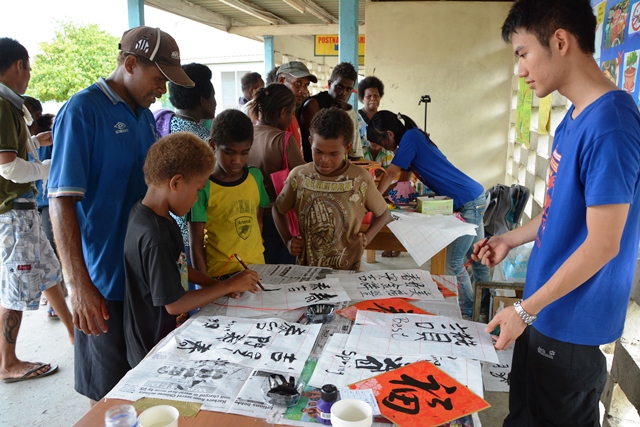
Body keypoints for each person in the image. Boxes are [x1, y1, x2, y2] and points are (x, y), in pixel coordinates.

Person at [474, 0, 640, 425]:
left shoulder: (612, 125)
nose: (519, 69)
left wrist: (526, 310)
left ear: (560, 41)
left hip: (571, 323)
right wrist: (510, 238)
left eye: (522, 53)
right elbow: (557, 212)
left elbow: (603, 245)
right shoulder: (575, 118)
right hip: (544, 311)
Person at [48, 26, 194, 404]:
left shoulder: (144, 115)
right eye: (158, 78)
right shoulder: (82, 111)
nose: (162, 90)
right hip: (104, 282)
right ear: (130, 63)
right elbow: (61, 201)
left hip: (145, 278)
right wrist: (78, 284)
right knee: (110, 396)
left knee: (146, 385)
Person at [124, 132, 259, 368]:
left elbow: (177, 267)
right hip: (154, 346)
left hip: (161, 335)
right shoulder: (155, 235)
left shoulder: (151, 214)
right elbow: (174, 304)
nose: (197, 199)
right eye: (198, 189)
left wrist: (215, 286)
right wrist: (227, 285)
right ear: (176, 183)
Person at [0, 38, 73, 384]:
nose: (28, 75)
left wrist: (35, 143)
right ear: (18, 65)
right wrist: (49, 169)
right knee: (16, 285)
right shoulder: (1, 103)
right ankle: (7, 362)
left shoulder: (10, 106)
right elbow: (8, 167)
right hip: (12, 211)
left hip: (23, 211)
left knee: (48, 270)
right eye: (27, 68)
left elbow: (13, 152)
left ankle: (76, 332)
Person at [370, 111, 490, 319]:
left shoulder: (410, 138)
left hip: (470, 202)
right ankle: (486, 306)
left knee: (454, 263)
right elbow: (404, 180)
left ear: (389, 133)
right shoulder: (411, 138)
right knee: (477, 258)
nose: (382, 147)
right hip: (474, 197)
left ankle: (469, 311)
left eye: (380, 141)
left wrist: (371, 200)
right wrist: (395, 196)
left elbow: (391, 173)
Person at [273, 108, 391, 271]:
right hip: (308, 271)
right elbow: (278, 210)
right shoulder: (298, 176)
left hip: (348, 270)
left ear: (347, 148)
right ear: (310, 142)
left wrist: (367, 237)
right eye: (318, 151)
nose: (324, 160)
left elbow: (383, 213)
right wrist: (288, 240)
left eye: (334, 154)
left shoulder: (360, 178)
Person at [188, 109, 270, 278]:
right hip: (220, 276)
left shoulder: (255, 177)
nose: (236, 161)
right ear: (212, 145)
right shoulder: (202, 186)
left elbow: (259, 213)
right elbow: (195, 244)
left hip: (257, 270)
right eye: (229, 152)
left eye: (244, 153)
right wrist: (206, 288)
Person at [154, 63, 217, 264]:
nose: (215, 103)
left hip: (164, 226)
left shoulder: (161, 124)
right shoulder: (205, 141)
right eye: (213, 97)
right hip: (192, 231)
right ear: (202, 100)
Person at [247, 83, 306, 264]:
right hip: (278, 220)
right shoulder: (284, 139)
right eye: (291, 113)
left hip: (251, 215)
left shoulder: (247, 134)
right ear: (283, 113)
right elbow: (302, 179)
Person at [22, 96, 67, 317]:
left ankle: (57, 295)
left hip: (49, 200)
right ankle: (54, 295)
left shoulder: (49, 137)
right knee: (40, 254)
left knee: (51, 245)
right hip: (28, 202)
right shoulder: (21, 140)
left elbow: (57, 167)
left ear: (36, 116)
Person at [298, 62, 363, 162]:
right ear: (329, 84)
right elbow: (320, 144)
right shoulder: (313, 105)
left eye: (348, 89)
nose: (343, 93)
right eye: (339, 86)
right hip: (314, 166)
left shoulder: (347, 111)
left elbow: (353, 153)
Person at [276, 61, 317, 148]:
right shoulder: (275, 116)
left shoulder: (292, 113)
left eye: (306, 85)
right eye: (297, 83)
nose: (303, 91)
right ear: (281, 81)